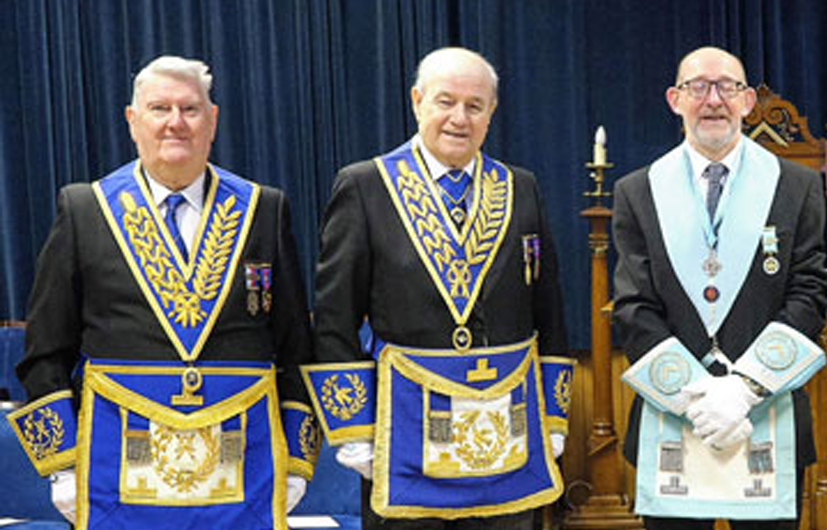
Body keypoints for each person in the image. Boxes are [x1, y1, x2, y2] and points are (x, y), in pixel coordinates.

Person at [7, 55, 316, 530]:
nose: (176, 123)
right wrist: (63, 467)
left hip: (242, 477)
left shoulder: (263, 209)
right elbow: (44, 352)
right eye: (159, 109)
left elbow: (296, 348)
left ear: (212, 120)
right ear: (133, 121)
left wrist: (296, 461)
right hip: (115, 476)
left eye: (190, 110)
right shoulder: (85, 209)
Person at [304, 47, 571, 530]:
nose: (459, 118)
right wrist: (353, 430)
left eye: (474, 105)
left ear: (491, 112)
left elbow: (548, 310)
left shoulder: (520, 187)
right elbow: (334, 318)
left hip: (504, 439)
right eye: (445, 102)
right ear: (417, 101)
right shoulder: (366, 186)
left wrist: (552, 417)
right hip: (400, 440)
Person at [612, 46, 827, 529]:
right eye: (698, 87)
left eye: (727, 87)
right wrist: (699, 398)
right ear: (674, 99)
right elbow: (633, 308)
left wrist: (743, 390)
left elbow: (809, 293)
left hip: (764, 414)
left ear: (748, 100)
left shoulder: (795, 186)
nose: (713, 100)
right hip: (674, 417)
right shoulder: (638, 190)